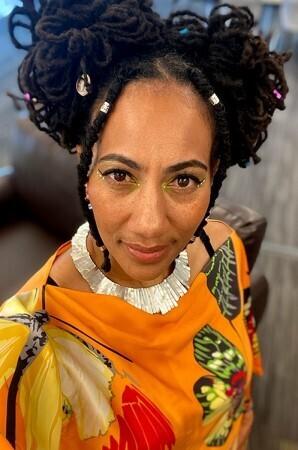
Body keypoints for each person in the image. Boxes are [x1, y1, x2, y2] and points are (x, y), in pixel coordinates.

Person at [0, 1, 290, 449]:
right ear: (85, 160)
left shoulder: (226, 252)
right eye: (120, 175)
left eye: (184, 179)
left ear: (214, 173)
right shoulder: (24, 355)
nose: (152, 224)